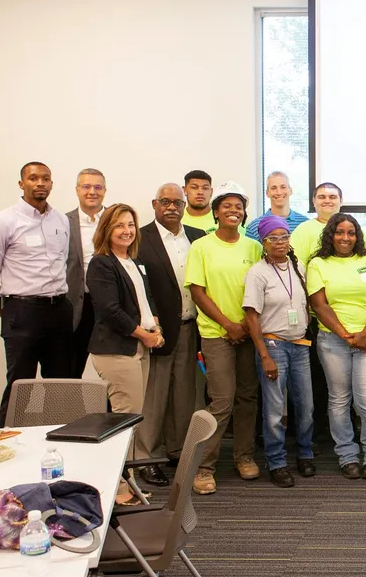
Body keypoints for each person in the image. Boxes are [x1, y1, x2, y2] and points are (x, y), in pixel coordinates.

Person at [0, 162, 74, 426]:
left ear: (52, 183)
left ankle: (59, 441)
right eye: (33, 178)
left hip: (59, 310)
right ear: (22, 184)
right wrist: (10, 311)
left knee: (61, 384)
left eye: (45, 178)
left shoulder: (61, 220)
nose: (40, 183)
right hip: (22, 311)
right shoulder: (3, 222)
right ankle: (5, 443)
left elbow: (64, 262)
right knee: (21, 385)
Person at [185, 181, 263, 495]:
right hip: (217, 334)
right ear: (216, 212)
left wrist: (244, 324)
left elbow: (261, 288)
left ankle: (243, 456)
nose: (233, 210)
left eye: (238, 206)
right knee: (222, 400)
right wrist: (229, 324)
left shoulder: (253, 247)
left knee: (248, 397)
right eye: (227, 206)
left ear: (244, 214)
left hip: (248, 333)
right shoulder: (202, 246)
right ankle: (204, 467)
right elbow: (197, 291)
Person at [84, 203, 164, 506]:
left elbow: (146, 300)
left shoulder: (132, 261)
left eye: (130, 224)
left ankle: (125, 481)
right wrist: (144, 334)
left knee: (131, 419)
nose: (127, 231)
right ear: (107, 229)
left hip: (139, 346)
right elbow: (110, 311)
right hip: (116, 350)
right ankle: (115, 488)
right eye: (119, 225)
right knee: (123, 421)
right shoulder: (101, 264)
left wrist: (155, 326)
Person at [307, 213, 366, 479]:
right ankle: (347, 455)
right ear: (331, 234)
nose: (345, 238)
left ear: (357, 236)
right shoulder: (318, 263)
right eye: (340, 232)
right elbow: (319, 304)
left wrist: (365, 333)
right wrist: (344, 334)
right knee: (339, 399)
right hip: (332, 341)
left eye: (351, 233)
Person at [135, 183, 205, 488]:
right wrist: (151, 324)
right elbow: (139, 285)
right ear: (154, 204)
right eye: (165, 201)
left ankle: (177, 451)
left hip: (191, 327)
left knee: (185, 396)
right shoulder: (140, 238)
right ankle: (146, 457)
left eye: (177, 202)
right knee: (154, 397)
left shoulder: (197, 237)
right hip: (159, 331)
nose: (172, 207)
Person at [244, 215, 316, 488]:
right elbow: (251, 316)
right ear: (263, 242)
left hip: (299, 346)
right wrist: (264, 355)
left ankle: (305, 453)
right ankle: (276, 461)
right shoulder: (257, 273)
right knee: (275, 410)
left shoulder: (298, 268)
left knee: (306, 407)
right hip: (273, 345)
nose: (279, 243)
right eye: (272, 238)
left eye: (284, 237)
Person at [289, 181, 344, 443]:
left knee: (343, 380)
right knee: (316, 379)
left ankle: (343, 432)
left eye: (332, 197)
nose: (327, 201)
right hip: (312, 317)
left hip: (346, 316)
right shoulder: (303, 231)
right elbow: (296, 268)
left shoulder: (349, 228)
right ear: (313, 202)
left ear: (340, 201)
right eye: (321, 196)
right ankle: (317, 434)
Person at [66, 168, 106, 377]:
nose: (92, 191)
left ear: (105, 191)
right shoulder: (63, 222)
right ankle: (70, 410)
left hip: (109, 306)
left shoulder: (115, 219)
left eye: (98, 187)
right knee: (71, 369)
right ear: (77, 190)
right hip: (77, 305)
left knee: (113, 370)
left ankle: (113, 411)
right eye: (86, 186)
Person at [245, 171, 309, 241]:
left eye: (283, 187)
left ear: (290, 190)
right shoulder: (253, 228)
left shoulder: (305, 223)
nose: (279, 192)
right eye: (273, 188)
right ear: (267, 193)